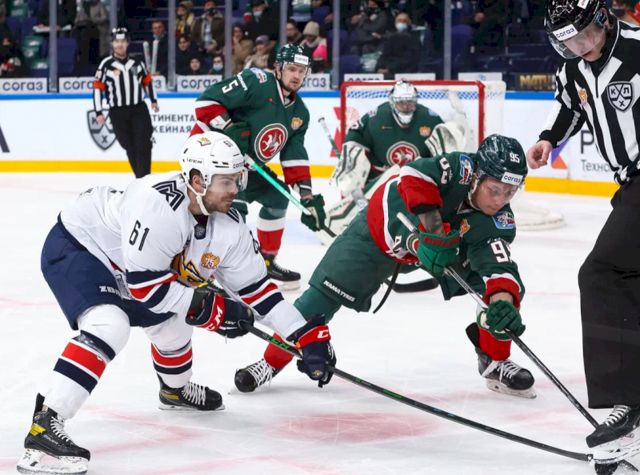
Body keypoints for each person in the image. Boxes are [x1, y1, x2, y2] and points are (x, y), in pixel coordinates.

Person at [16, 131, 335, 475]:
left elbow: (258, 291)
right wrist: (212, 311)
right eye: (226, 181)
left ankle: (174, 391)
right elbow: (146, 288)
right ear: (197, 180)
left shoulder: (230, 226)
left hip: (134, 269)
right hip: (83, 247)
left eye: (237, 179)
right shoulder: (157, 206)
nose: (235, 190)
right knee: (109, 324)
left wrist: (301, 334)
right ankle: (44, 428)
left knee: (174, 324)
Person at [235, 135, 535, 400]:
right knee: (317, 302)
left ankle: (495, 361)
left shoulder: (497, 219)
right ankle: (270, 362)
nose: (500, 201)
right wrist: (428, 236)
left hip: (440, 247)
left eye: (510, 192)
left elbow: (498, 267)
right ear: (477, 176)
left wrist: (503, 302)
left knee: (498, 298)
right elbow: (410, 175)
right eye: (494, 189)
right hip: (377, 236)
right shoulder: (457, 169)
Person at [527, 0, 640, 461]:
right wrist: (549, 139)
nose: (581, 47)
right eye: (569, 42)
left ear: (604, 20)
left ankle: (628, 403)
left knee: (602, 274)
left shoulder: (637, 49)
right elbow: (570, 106)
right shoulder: (573, 70)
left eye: (586, 35)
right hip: (629, 185)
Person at [189, 44, 326, 291]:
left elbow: (294, 155)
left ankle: (265, 261)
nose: (296, 75)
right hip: (211, 160)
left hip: (246, 168)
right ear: (278, 68)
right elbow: (206, 102)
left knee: (277, 199)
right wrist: (229, 128)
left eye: (301, 71)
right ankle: (219, 269)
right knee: (235, 210)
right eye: (292, 69)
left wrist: (307, 196)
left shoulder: (299, 113)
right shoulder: (257, 81)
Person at [326, 80, 470, 238]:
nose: (406, 106)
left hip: (416, 178)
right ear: (393, 102)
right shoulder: (376, 117)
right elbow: (355, 135)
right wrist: (351, 157)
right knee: (369, 201)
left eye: (410, 102)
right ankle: (347, 220)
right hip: (382, 177)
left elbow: (440, 154)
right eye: (402, 103)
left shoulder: (429, 118)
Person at [93, 27, 158, 178]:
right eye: (116, 41)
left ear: (128, 43)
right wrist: (98, 111)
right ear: (112, 44)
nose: (120, 44)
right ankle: (140, 176)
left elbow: (147, 81)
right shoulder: (105, 65)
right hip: (117, 112)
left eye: (123, 41)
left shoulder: (137, 62)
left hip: (138, 109)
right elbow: (97, 88)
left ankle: (144, 177)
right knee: (128, 145)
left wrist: (153, 100)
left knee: (144, 143)